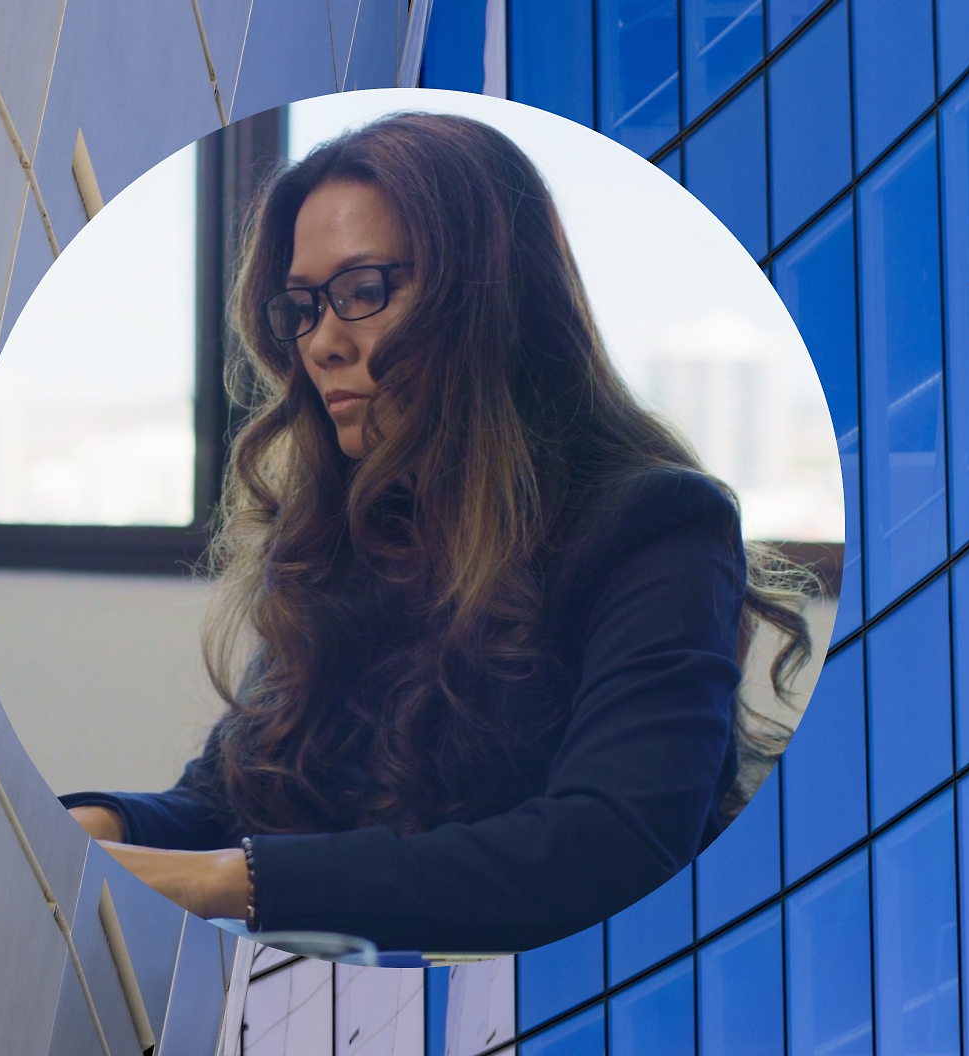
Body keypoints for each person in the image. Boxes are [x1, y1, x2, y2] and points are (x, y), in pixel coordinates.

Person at [61, 112, 812, 954]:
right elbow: (231, 800)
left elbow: (611, 849)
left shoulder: (655, 525)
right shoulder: (340, 535)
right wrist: (97, 823)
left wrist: (227, 882)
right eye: (302, 307)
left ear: (488, 294)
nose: (323, 344)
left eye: (363, 291)